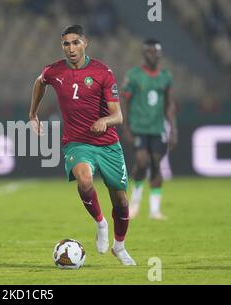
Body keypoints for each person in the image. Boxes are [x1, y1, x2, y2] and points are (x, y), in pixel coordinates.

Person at [29, 25, 136, 266]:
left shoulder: (102, 72)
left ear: (85, 42)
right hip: (77, 143)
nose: (71, 48)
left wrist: (104, 121)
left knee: (120, 201)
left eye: (75, 42)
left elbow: (118, 116)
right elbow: (40, 82)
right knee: (84, 180)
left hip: (108, 145)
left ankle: (119, 246)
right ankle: (100, 223)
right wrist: (32, 114)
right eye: (66, 43)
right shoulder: (54, 71)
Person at [121, 39, 177, 220]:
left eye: (155, 52)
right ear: (144, 54)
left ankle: (155, 210)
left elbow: (169, 103)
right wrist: (126, 127)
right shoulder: (134, 75)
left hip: (157, 127)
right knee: (142, 161)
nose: (152, 55)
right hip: (138, 127)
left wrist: (173, 128)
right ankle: (135, 201)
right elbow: (126, 102)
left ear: (160, 54)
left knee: (155, 164)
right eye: (149, 52)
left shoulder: (166, 76)